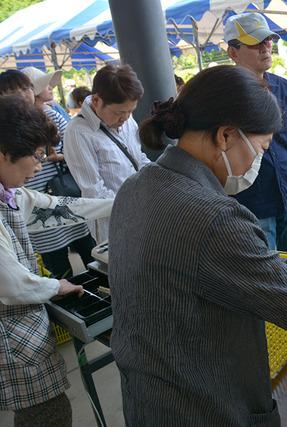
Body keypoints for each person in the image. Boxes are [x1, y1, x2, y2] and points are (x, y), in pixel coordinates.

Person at [109, 65, 287, 425]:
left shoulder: (137, 186)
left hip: (148, 400)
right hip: (204, 406)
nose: (258, 162)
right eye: (261, 147)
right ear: (227, 136)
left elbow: (213, 268)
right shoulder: (214, 217)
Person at [0, 95, 112, 426]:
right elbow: (10, 284)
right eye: (35, 157)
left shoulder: (13, 195)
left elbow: (63, 207)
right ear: (4, 154)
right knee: (47, 414)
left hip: (24, 330)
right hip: (14, 339)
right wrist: (56, 285)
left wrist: (121, 202)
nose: (38, 167)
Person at [224, 13, 287, 251]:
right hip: (252, 203)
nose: (266, 47)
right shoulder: (225, 95)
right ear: (233, 52)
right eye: (256, 42)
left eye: (267, 40)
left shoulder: (283, 86)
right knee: (268, 275)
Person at [8, 69, 97, 278]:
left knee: (87, 251)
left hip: (59, 193)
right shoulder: (10, 125)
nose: (49, 87)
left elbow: (74, 148)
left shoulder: (51, 114)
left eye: (26, 89)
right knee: (56, 263)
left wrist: (59, 157)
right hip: (36, 201)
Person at [64, 64, 150, 242]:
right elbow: (93, 191)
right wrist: (135, 204)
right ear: (96, 101)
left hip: (143, 214)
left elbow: (138, 158)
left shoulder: (125, 118)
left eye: (130, 111)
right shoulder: (78, 132)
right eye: (119, 112)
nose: (125, 118)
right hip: (112, 225)